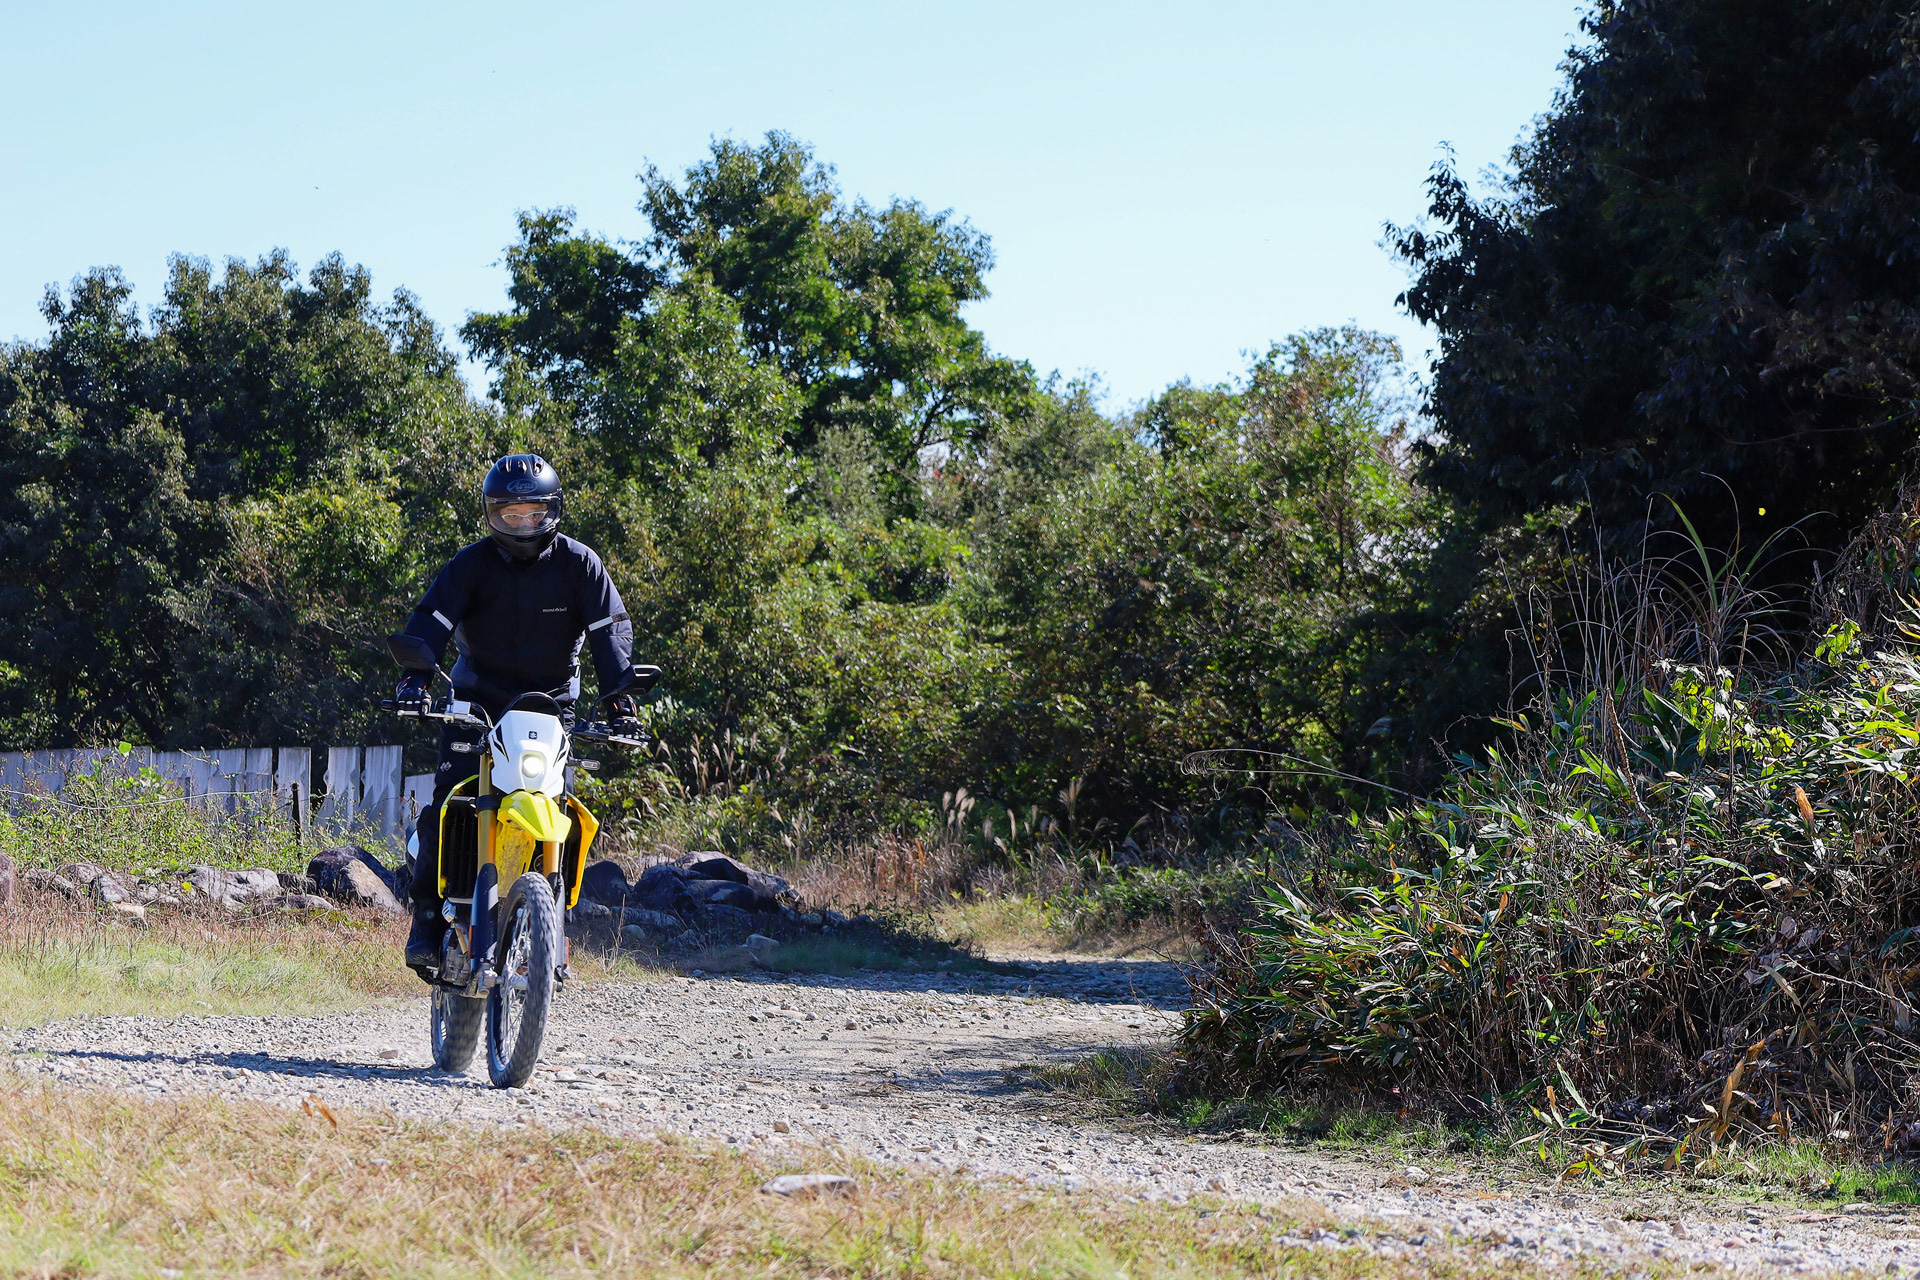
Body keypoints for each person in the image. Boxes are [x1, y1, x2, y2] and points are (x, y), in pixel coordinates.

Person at [394, 453, 638, 973]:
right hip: (476, 702)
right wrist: (415, 678)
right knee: (449, 804)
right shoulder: (470, 565)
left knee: (562, 810)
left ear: (554, 511)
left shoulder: (581, 565)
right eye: (510, 514)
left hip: (552, 709)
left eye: (533, 512)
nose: (523, 524)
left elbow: (609, 633)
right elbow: (430, 623)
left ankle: (554, 928)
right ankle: (428, 921)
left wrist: (620, 700)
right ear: (491, 514)